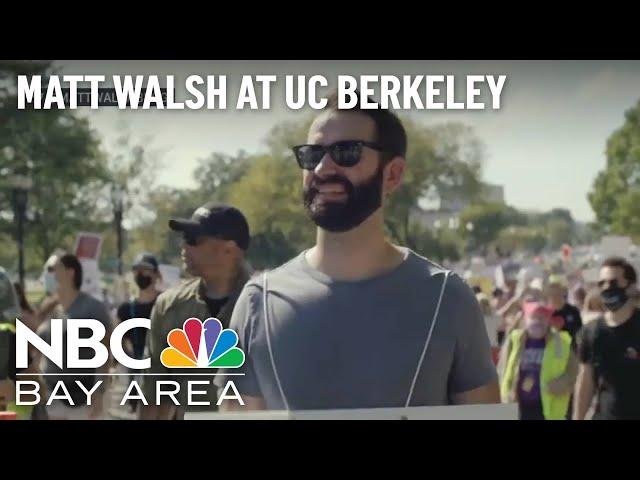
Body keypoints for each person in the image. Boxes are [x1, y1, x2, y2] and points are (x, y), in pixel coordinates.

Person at [216, 93, 500, 412]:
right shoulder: (259, 301)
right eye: (312, 155)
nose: (323, 168)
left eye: (346, 152)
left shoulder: (448, 298)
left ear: (392, 174)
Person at [139, 203, 252, 420]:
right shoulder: (169, 306)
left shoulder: (267, 307)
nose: (184, 245)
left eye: (193, 239)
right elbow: (154, 392)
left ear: (229, 249)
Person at [36, 253, 112, 420]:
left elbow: (105, 355)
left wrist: (99, 392)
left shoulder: (93, 308)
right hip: (51, 396)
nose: (48, 275)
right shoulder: (48, 309)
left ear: (70, 273)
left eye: (52, 269)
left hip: (82, 397)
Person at [574, 257, 640, 420]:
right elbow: (585, 381)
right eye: (601, 283)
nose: (607, 288)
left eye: (613, 282)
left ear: (631, 287)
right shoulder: (591, 332)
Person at [498, 301, 577, 420]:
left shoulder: (561, 342)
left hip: (548, 409)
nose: (538, 321)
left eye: (542, 317)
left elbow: (574, 371)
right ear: (525, 320)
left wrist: (563, 382)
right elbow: (502, 369)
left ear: (548, 321)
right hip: (517, 407)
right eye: (534, 317)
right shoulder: (514, 340)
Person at [116, 252, 162, 413]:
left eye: (146, 269)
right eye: (137, 270)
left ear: (156, 274)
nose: (141, 274)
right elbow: (118, 342)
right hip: (138, 379)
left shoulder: (167, 304)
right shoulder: (126, 309)